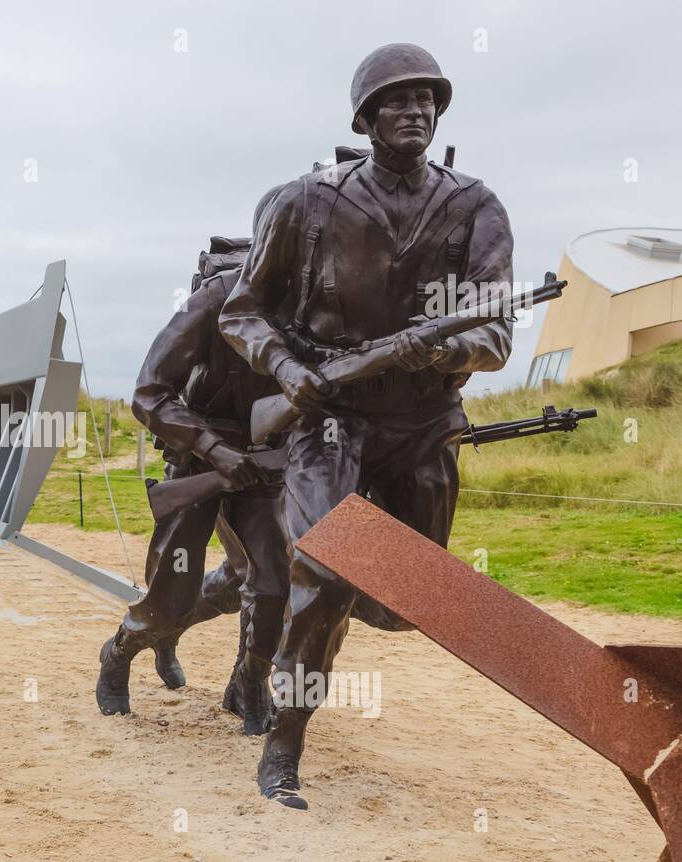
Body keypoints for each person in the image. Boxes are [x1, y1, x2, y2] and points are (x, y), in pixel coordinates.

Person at [219, 43, 514, 808]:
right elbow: (242, 312)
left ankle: (273, 659)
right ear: (366, 115)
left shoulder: (474, 206)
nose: (414, 110)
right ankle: (283, 746)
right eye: (396, 99)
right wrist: (289, 372)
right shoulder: (306, 203)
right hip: (330, 419)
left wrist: (436, 352)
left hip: (421, 422)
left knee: (400, 601)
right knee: (326, 574)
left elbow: (496, 333)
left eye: (427, 100)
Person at [96, 235, 290, 735]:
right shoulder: (216, 299)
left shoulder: (316, 306)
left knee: (271, 584)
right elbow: (148, 393)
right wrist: (214, 449)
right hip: (201, 460)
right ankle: (120, 650)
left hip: (264, 462)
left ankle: (251, 682)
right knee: (171, 598)